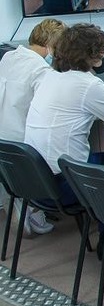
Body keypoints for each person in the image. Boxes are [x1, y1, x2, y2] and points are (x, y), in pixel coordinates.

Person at [24, 23, 104, 208]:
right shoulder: (88, 85)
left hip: (35, 180)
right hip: (64, 185)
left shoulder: (50, 76)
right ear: (94, 54)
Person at [0, 18, 65, 235]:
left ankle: (25, 204)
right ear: (53, 44)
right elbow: (50, 109)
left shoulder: (9, 56)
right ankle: (36, 207)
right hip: (24, 144)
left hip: (4, 139)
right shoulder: (41, 70)